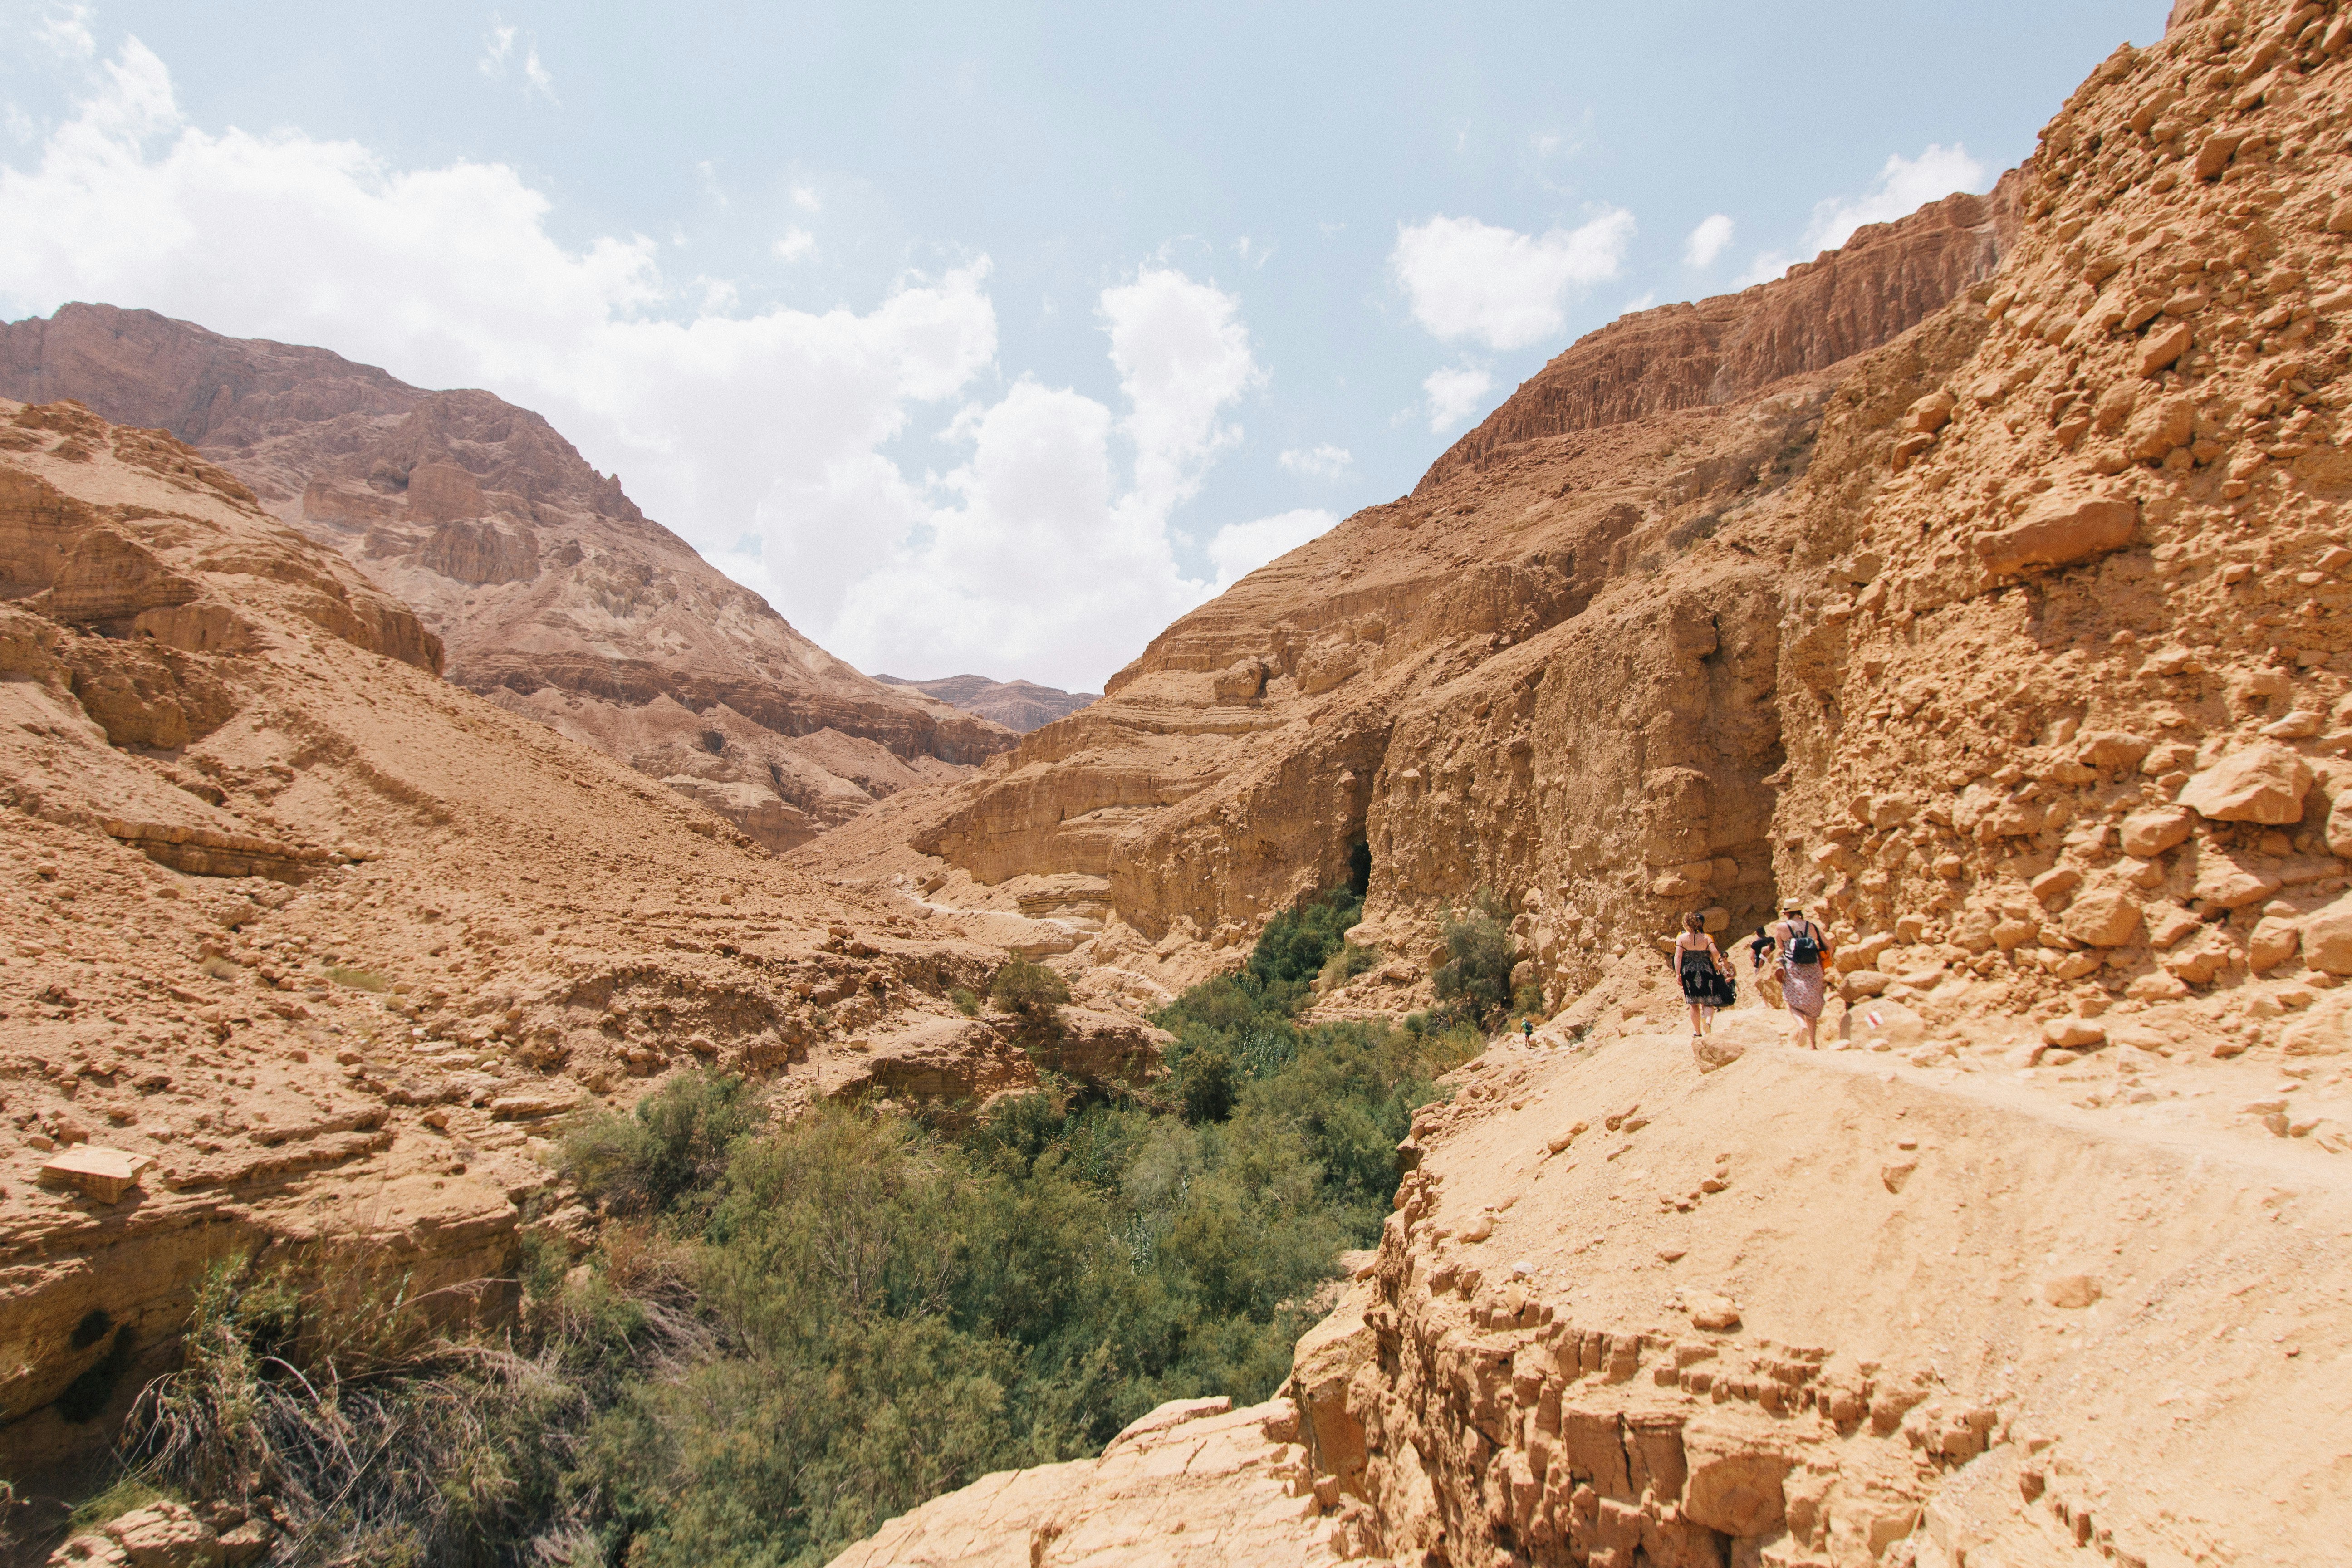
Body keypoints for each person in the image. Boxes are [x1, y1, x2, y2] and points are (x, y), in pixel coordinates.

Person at [1768, 905, 1834, 1049]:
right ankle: (1813, 1045)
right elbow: (1829, 945)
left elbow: (1781, 947)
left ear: (1787, 914)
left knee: (1792, 1001)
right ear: (1799, 911)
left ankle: (1801, 1024)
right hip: (1814, 970)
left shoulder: (1782, 927)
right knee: (1812, 1006)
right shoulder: (1812, 927)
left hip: (1795, 969)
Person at [1671, 912, 1731, 1042]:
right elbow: (1715, 952)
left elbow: (1678, 956)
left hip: (1689, 972)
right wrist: (1716, 963)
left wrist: (1678, 973)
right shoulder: (1706, 938)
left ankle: (1698, 1032)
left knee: (1693, 1003)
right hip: (1706, 970)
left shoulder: (1681, 939)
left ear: (1685, 923)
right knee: (1708, 1001)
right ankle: (1708, 1022)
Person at [1747, 926, 1785, 1011]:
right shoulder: (1771, 942)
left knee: (1762, 986)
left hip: (1762, 967)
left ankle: (1767, 1004)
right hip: (1773, 966)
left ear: (1757, 933)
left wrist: (1756, 965)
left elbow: (1752, 956)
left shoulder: (1756, 944)